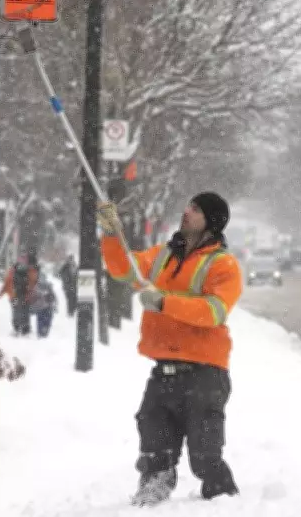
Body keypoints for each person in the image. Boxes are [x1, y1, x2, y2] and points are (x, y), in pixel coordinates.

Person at [97, 192, 243, 506]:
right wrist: (111, 234)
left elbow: (213, 311)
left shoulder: (223, 265)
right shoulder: (163, 256)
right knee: (154, 436)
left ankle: (222, 497)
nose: (187, 212)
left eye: (196, 209)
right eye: (188, 206)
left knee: (205, 453)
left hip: (204, 372)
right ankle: (153, 487)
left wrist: (164, 302)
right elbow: (124, 268)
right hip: (164, 370)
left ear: (211, 222)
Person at [0, 248, 39, 336]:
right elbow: (34, 281)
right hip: (26, 294)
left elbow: (8, 280)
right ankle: (25, 328)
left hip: (14, 294)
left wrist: (2, 292)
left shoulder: (13, 269)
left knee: (16, 311)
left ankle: (16, 327)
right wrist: (32, 291)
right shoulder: (31, 269)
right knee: (25, 311)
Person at [30, 271, 58, 337]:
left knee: (44, 320)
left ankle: (42, 332)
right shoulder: (36, 287)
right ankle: (42, 332)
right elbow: (33, 298)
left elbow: (53, 296)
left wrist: (54, 304)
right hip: (44, 307)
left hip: (45, 307)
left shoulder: (44, 286)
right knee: (43, 320)